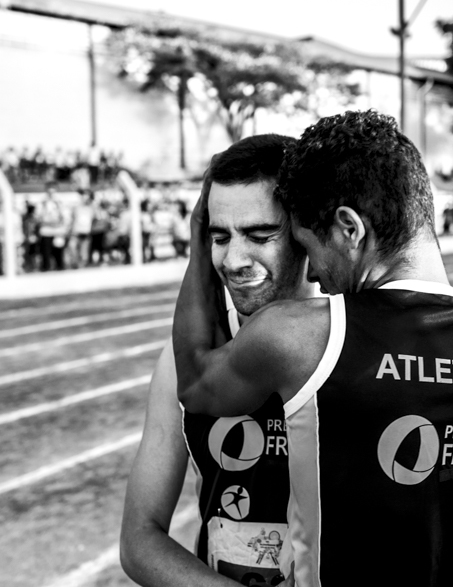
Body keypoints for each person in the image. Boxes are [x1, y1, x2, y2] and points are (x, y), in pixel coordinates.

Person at [173, 111, 453, 586]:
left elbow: (196, 380)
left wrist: (200, 236)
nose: (314, 274)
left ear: (350, 229)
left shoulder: (302, 336)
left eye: (311, 247)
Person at [120, 135, 313, 587]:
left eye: (260, 236)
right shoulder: (184, 359)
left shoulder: (358, 344)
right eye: (219, 237)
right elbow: (139, 539)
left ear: (307, 231)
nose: (234, 260)